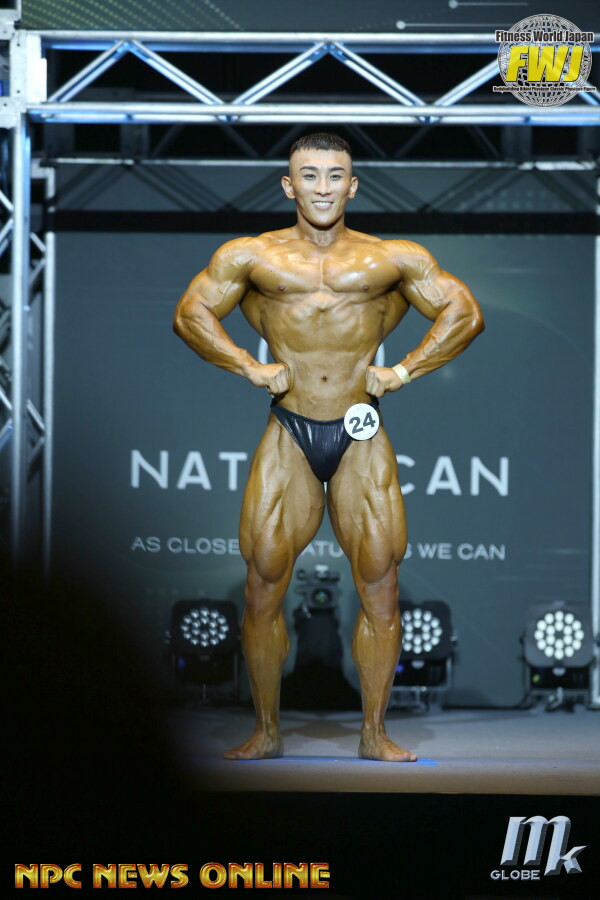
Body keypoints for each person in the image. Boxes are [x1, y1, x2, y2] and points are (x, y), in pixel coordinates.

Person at [173, 133, 484, 761]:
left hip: (359, 429)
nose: (322, 187)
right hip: (289, 427)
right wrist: (247, 365)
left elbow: (464, 312)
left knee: (381, 585)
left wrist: (403, 372)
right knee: (262, 583)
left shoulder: (390, 259)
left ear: (353, 185)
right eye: (309, 175)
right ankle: (266, 730)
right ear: (289, 185)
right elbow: (190, 313)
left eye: (335, 175)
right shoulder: (252, 256)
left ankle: (374, 733)